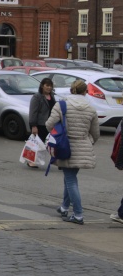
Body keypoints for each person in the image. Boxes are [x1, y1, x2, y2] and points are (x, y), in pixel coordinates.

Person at [46, 79, 100, 225]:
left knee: (70, 180)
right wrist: (87, 141)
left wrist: (58, 134)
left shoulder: (62, 105)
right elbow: (96, 133)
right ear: (85, 91)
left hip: (65, 146)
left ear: (71, 90)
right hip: (82, 145)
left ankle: (78, 214)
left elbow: (49, 124)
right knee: (69, 177)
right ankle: (64, 207)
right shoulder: (91, 108)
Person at [29, 77, 57, 152]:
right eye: (47, 85)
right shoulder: (37, 97)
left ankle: (37, 160)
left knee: (43, 145)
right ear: (42, 86)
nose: (49, 87)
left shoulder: (52, 96)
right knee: (36, 143)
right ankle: (31, 161)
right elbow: (33, 112)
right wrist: (34, 126)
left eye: (50, 86)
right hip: (39, 125)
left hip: (48, 124)